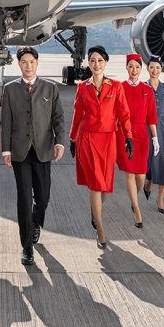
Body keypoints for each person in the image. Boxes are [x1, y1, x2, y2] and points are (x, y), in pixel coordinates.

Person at [1, 46, 66, 266]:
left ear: (37, 63)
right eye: (24, 62)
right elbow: (7, 122)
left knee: (43, 198)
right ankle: (27, 247)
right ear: (19, 64)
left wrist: (59, 142)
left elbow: (58, 119)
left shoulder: (50, 88)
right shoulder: (10, 89)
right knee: (24, 200)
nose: (28, 66)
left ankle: (35, 222)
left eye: (31, 62)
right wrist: (6, 149)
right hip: (20, 152)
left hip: (43, 149)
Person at [69, 45, 133, 250]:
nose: (96, 64)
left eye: (100, 61)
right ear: (88, 62)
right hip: (87, 138)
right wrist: (72, 139)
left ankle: (94, 210)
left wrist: (129, 137)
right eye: (92, 60)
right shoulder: (82, 87)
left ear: (105, 63)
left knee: (105, 186)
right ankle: (100, 230)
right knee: (96, 183)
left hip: (109, 139)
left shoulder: (116, 86)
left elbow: (124, 114)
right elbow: (77, 115)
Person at [117, 54, 158, 228]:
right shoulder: (119, 87)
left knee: (140, 176)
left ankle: (134, 197)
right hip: (124, 134)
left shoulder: (147, 90)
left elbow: (151, 117)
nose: (134, 70)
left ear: (141, 69)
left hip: (142, 134)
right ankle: (137, 209)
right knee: (129, 172)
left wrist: (155, 138)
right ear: (126, 68)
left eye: (137, 67)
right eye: (131, 66)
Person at [143, 55, 164, 214]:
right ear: (147, 69)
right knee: (149, 159)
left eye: (157, 67)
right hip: (147, 128)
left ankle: (160, 198)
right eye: (151, 67)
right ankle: (148, 181)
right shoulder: (142, 88)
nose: (154, 70)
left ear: (161, 69)